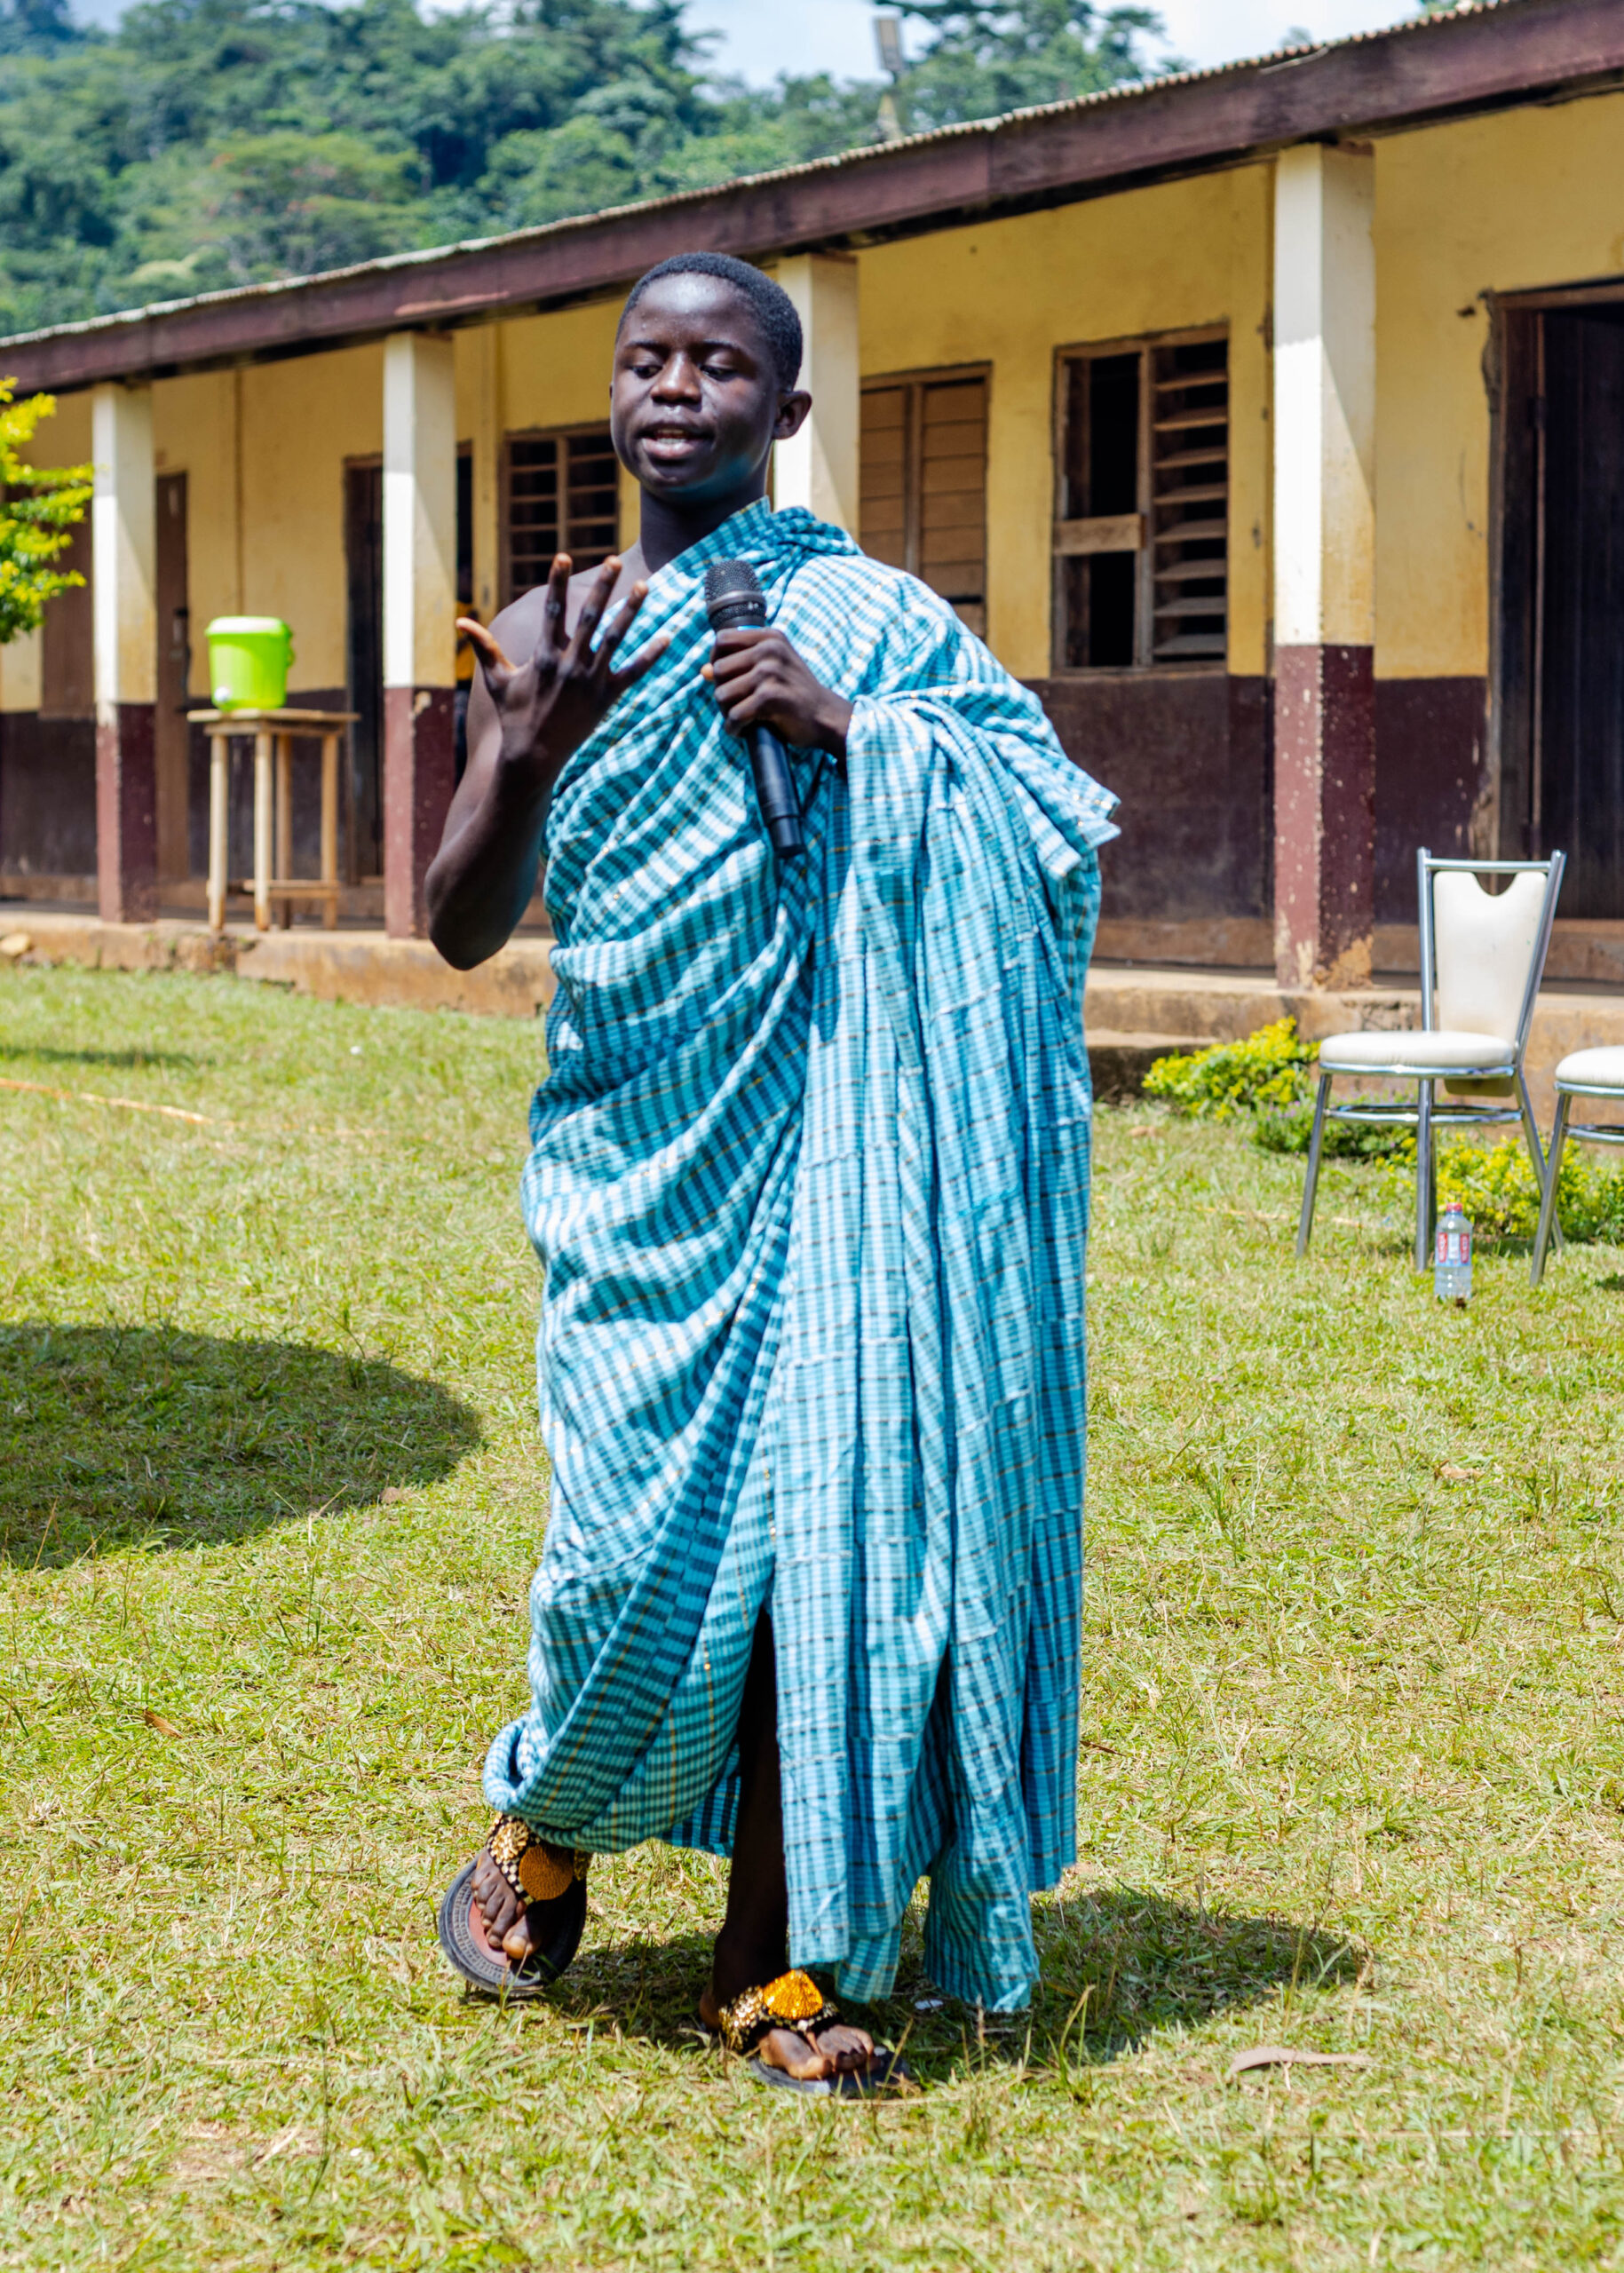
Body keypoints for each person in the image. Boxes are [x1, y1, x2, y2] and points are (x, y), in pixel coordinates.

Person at [425, 251, 1116, 2095]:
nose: (677, 389)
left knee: (839, 1542)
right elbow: (456, 921)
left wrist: (850, 727)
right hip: (643, 1151)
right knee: (621, 1548)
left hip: (848, 1145)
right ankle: (546, 1825)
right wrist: (522, 746)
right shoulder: (548, 622)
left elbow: (1050, 822)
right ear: (612, 392)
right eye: (646, 360)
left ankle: (774, 1965)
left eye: (720, 365)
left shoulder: (879, 621)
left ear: (786, 411)